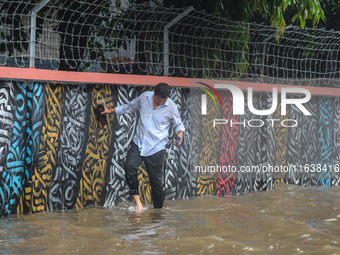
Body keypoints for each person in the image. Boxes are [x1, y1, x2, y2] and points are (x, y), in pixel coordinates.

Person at [103, 83, 185, 211]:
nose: (160, 102)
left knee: (156, 184)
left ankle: (158, 213)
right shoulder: (144, 97)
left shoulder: (171, 107)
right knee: (129, 167)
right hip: (139, 143)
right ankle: (138, 204)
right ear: (154, 94)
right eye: (158, 99)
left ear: (167, 97)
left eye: (163, 101)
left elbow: (178, 124)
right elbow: (128, 107)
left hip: (156, 148)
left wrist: (180, 133)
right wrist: (110, 111)